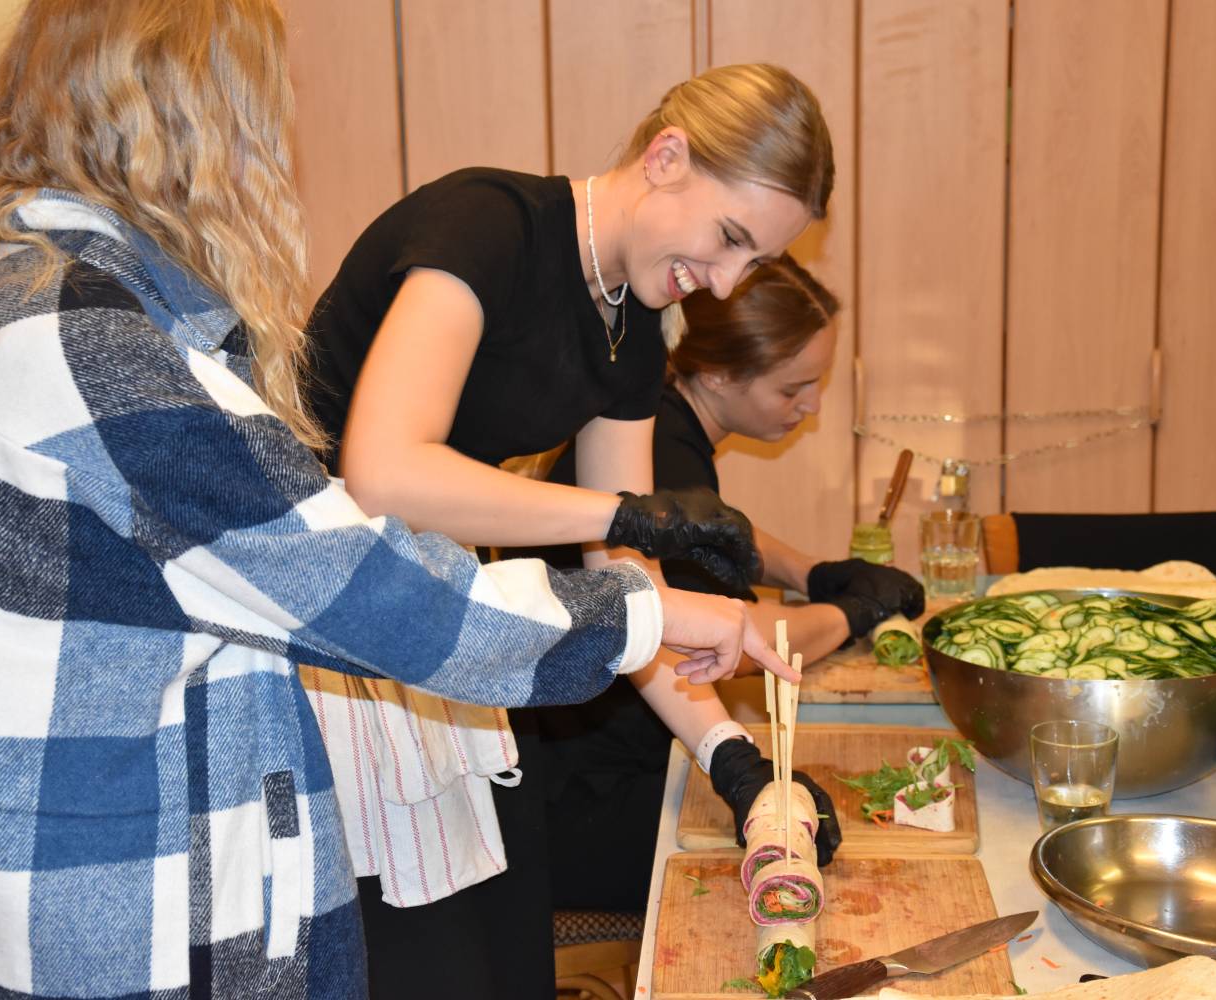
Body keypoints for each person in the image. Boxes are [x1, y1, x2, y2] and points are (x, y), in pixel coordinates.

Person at [0, 4, 794, 998]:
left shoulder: (38, 315)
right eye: (257, 123)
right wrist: (635, 579)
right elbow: (371, 569)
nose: (267, 160)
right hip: (110, 918)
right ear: (171, 129)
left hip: (124, 861)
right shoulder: (92, 349)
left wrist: (728, 748)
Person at [301, 64, 842, 999]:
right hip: (317, 629)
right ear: (666, 157)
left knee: (509, 951)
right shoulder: (486, 227)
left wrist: (740, 769)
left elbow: (626, 591)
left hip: (440, 616)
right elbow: (382, 473)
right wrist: (624, 515)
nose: (721, 284)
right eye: (728, 239)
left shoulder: (634, 329)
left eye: (749, 264)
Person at [523, 255, 927, 913]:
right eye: (793, 387)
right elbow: (732, 638)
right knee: (842, 875)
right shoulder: (662, 446)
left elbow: (719, 536)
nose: (813, 404)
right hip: (585, 796)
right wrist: (851, 612)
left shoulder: (668, 418)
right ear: (714, 372)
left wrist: (814, 573)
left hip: (609, 754)